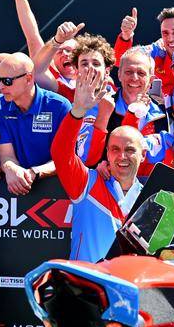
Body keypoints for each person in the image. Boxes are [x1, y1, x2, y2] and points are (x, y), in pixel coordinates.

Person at [51, 66, 143, 263]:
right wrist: (78, 111)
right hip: (87, 282)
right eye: (115, 149)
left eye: (130, 150)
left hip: (131, 283)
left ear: (143, 155)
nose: (122, 156)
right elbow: (61, 153)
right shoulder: (87, 184)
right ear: (107, 154)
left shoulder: (150, 198)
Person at [0, 52, 71, 195]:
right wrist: (11, 168)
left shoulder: (59, 106)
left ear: (28, 79)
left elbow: (67, 158)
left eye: (7, 81)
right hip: (20, 186)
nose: (0, 87)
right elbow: (6, 154)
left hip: (58, 190)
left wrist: (34, 172)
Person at [4, 0, 78, 98]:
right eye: (60, 51)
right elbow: (33, 38)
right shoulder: (52, 78)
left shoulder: (101, 81)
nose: (65, 54)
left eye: (70, 50)